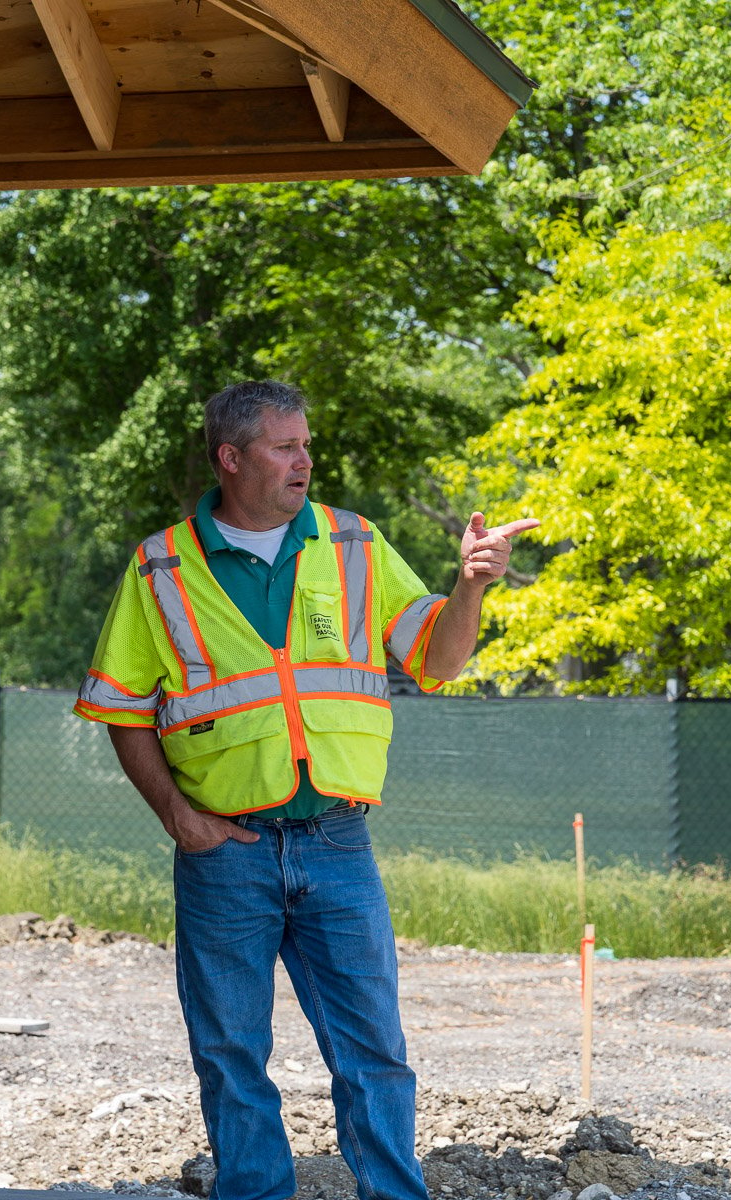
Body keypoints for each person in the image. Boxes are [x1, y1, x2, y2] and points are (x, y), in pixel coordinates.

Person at [73, 380, 536, 1200]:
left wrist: (470, 586)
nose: (305, 460)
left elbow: (438, 662)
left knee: (374, 1055)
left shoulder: (353, 543)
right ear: (231, 457)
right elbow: (121, 707)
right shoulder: (161, 566)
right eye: (286, 446)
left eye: (307, 444)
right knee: (230, 1054)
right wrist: (180, 818)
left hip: (337, 843)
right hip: (227, 853)